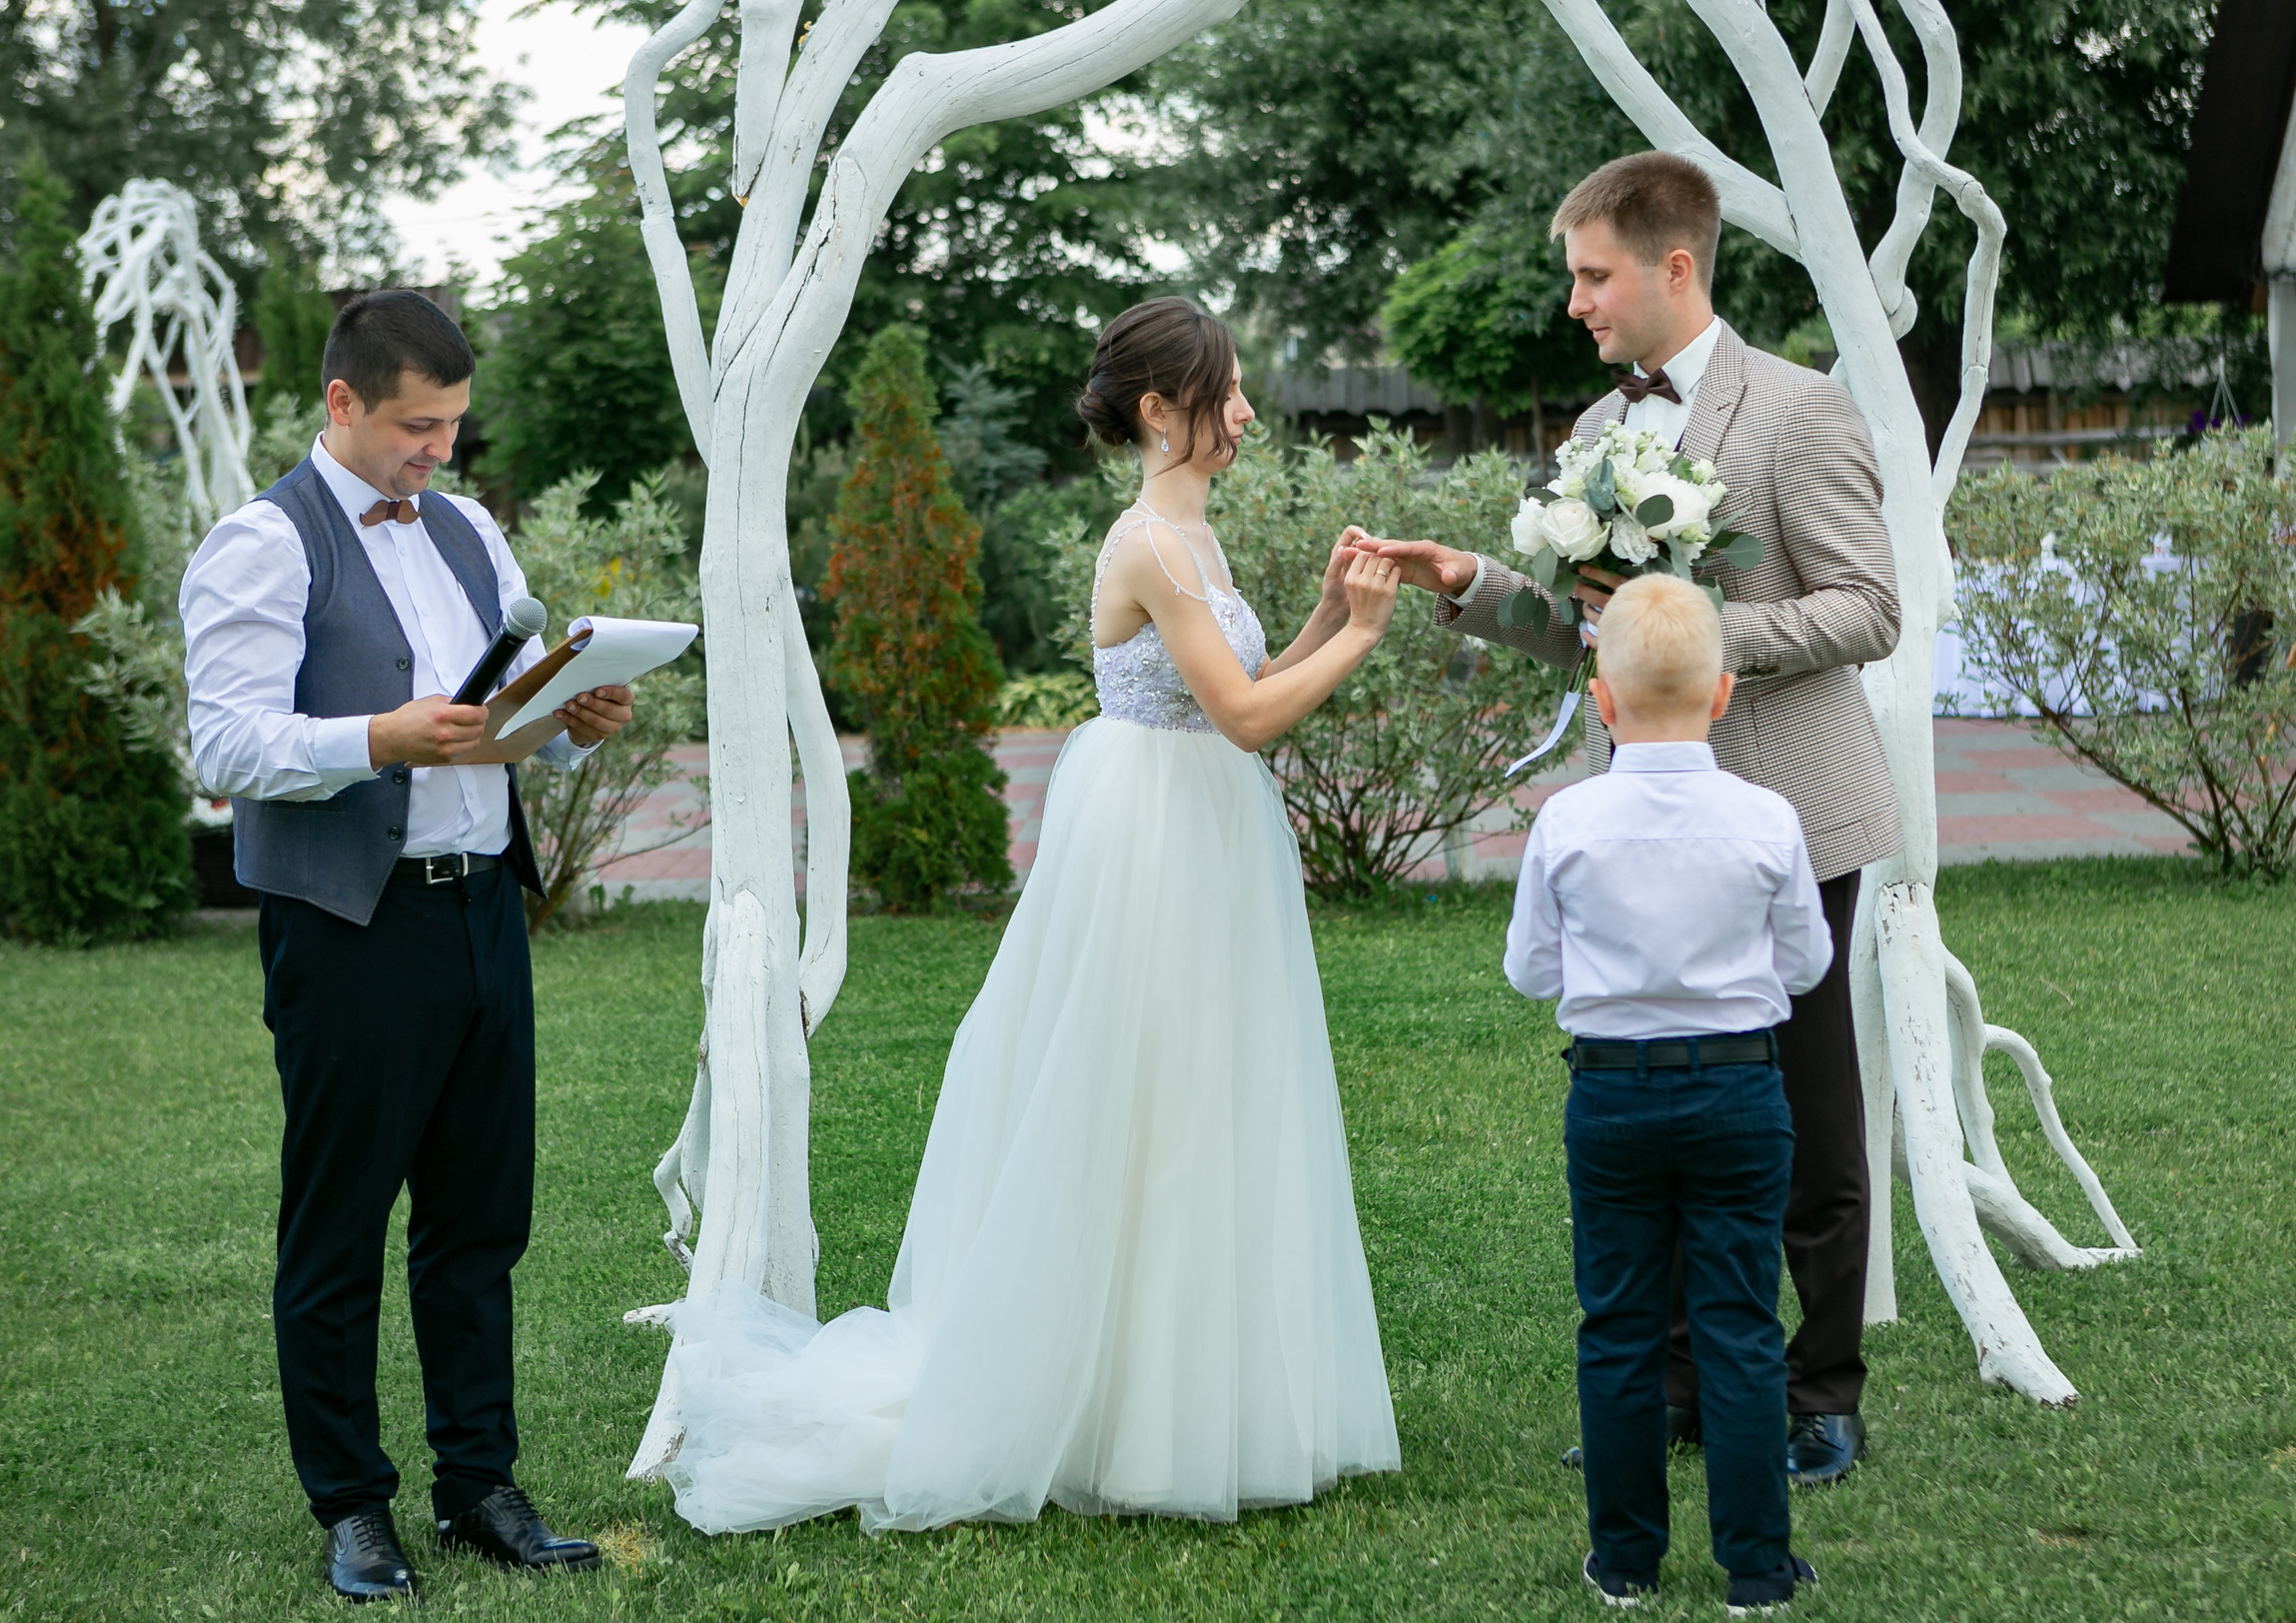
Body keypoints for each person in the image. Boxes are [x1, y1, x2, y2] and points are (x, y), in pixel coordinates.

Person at [648, 296, 1406, 1533]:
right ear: (1161, 410)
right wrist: (1367, 635)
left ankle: (1180, 1403)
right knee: (1135, 1099)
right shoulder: (1148, 548)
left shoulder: (1195, 544)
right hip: (1150, 841)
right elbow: (1252, 718)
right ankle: (1119, 1416)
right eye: (1225, 396)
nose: (1246, 415)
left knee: (1208, 1097)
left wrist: (1325, 607)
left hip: (1202, 828)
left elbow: (1252, 684)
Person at [1362, 152, 1898, 1487]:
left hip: (1789, 818)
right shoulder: (1601, 434)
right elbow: (1588, 634)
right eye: (1573, 278)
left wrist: (1706, 630)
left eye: (1592, 275)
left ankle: (1820, 1391)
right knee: (1654, 1091)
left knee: (1811, 1120)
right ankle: (1667, 1384)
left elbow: (1869, 606)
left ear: (1675, 267)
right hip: (1644, 822)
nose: (1576, 303)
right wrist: (1478, 581)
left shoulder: (1800, 408)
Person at [180, 290, 634, 1602]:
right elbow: (227, 745)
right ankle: (352, 1504)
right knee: (338, 1230)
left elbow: (496, 710)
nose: (438, 450)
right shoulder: (263, 543)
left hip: (486, 904)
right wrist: (377, 734)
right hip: (351, 929)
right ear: (340, 403)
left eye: (451, 425)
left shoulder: (470, 527)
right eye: (414, 426)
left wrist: (569, 712)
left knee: (481, 1219)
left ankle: (479, 1481)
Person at [1506, 575, 1828, 1613]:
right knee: (1738, 1321)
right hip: (1740, 1090)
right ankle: (1756, 1568)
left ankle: (1627, 1561)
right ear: (1724, 694)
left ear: (1600, 703)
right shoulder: (1768, 817)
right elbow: (1807, 963)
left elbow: (1530, 970)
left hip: (1611, 1097)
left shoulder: (1567, 821)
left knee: (1618, 1324)